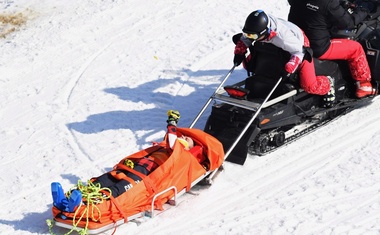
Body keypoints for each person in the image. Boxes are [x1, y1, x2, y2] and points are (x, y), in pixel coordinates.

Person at [51, 110, 194, 212]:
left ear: (188, 147)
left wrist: (172, 122)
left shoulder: (180, 152)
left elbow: (172, 139)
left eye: (188, 139)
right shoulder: (164, 147)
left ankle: (84, 205)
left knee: (118, 189)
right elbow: (169, 140)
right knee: (105, 180)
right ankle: (67, 199)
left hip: (145, 173)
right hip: (133, 166)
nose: (185, 138)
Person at [234, 10, 336, 106]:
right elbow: (246, 38)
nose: (250, 37)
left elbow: (299, 52)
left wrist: (289, 67)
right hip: (273, 44)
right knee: (249, 64)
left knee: (309, 85)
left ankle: (327, 84)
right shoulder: (256, 31)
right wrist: (239, 52)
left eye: (253, 36)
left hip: (299, 46)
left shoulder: (283, 38)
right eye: (248, 34)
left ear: (264, 32)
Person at [287, 0, 377, 98]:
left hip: (295, 41)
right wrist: (364, 9)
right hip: (318, 47)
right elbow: (348, 23)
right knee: (355, 48)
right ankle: (364, 85)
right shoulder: (329, 3)